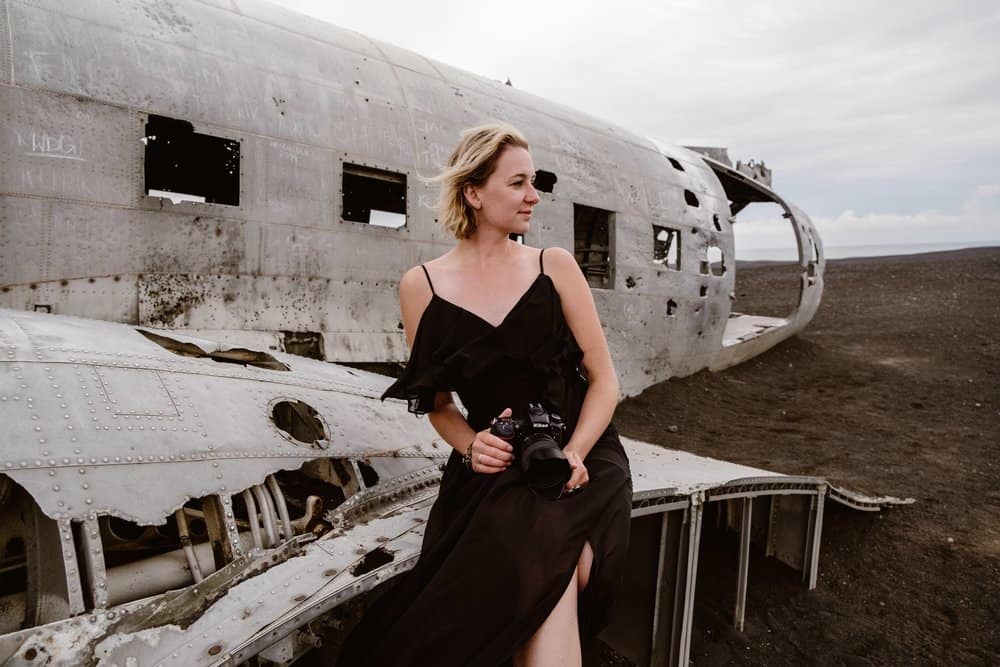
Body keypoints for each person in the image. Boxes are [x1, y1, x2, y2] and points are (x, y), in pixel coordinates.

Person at [338, 123, 631, 666]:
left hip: (583, 451)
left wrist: (575, 453)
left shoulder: (553, 265)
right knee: (548, 563)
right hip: (494, 461)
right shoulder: (421, 285)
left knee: (554, 559)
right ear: (474, 193)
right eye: (518, 183)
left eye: (533, 182)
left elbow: (605, 380)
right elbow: (438, 404)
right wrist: (471, 445)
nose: (533, 195)